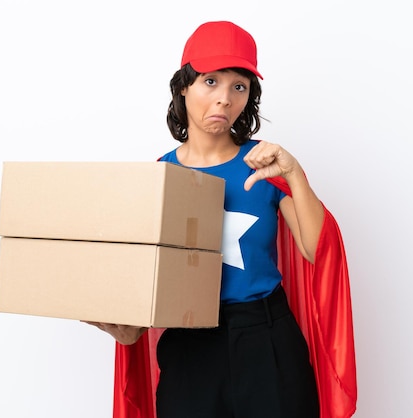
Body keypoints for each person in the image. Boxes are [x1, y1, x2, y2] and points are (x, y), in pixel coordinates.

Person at [89, 21, 357, 418]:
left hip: (266, 340)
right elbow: (148, 283)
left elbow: (319, 252)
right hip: (189, 349)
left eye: (239, 86)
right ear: (183, 86)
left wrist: (295, 175)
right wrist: (130, 328)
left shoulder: (265, 165)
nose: (224, 99)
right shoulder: (158, 178)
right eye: (210, 81)